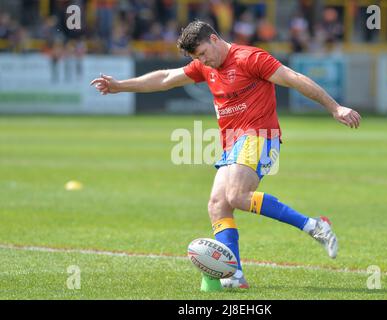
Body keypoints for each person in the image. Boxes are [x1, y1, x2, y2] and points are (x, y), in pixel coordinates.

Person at [90, 20, 361, 290]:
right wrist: (119, 85)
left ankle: (314, 226)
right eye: (197, 58)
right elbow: (165, 78)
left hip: (260, 136)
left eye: (203, 53)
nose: (202, 61)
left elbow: (295, 79)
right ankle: (235, 276)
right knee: (217, 205)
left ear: (215, 39)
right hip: (232, 143)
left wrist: (335, 108)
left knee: (236, 195)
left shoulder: (250, 58)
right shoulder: (204, 66)